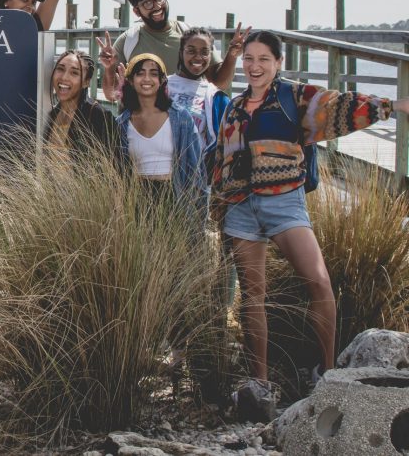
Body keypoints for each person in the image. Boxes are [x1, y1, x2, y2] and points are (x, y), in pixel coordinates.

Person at [213, 30, 409, 420]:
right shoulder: (234, 108)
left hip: (284, 203)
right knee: (253, 295)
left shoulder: (295, 97)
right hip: (241, 207)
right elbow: (222, 162)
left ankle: (327, 373)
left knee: (318, 281)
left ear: (278, 62)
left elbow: (343, 106)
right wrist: (218, 208)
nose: (254, 66)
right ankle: (260, 385)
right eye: (248, 59)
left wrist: (395, 105)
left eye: (263, 59)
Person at [97, 0, 244, 101]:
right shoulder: (127, 41)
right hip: (144, 127)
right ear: (136, 11)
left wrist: (232, 55)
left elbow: (219, 82)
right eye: (147, 3)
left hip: (190, 124)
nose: (157, 6)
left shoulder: (189, 35)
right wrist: (109, 69)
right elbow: (111, 96)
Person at [115, 53, 206, 220]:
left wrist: (199, 213)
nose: (147, 79)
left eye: (154, 73)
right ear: (130, 80)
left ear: (163, 80)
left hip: (174, 196)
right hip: (136, 200)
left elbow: (196, 168)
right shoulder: (121, 123)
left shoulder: (180, 118)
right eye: (140, 73)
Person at [167, 26, 247, 171]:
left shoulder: (215, 97)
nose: (198, 57)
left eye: (204, 52)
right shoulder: (161, 86)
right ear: (181, 53)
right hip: (157, 172)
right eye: (191, 51)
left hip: (195, 177)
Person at [43, 49, 115, 152]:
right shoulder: (51, 115)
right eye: (60, 69)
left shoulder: (99, 116)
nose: (64, 77)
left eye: (74, 73)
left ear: (86, 82)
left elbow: (118, 163)